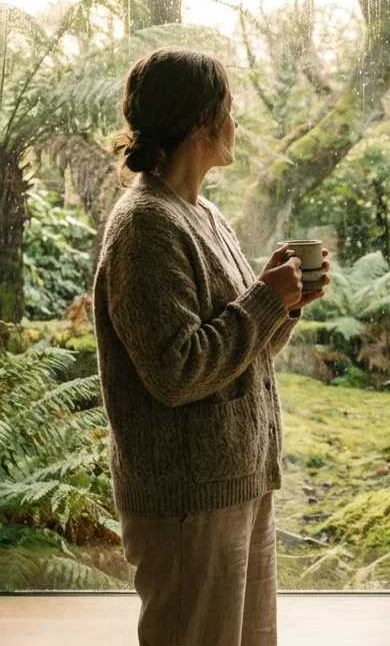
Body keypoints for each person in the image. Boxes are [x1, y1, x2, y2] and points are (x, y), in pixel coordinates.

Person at [93, 47, 329, 645]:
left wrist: (286, 302)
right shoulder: (145, 225)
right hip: (187, 503)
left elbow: (238, 355)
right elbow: (177, 371)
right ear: (203, 122)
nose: (236, 122)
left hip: (236, 483)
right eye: (229, 108)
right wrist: (265, 300)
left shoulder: (203, 214)